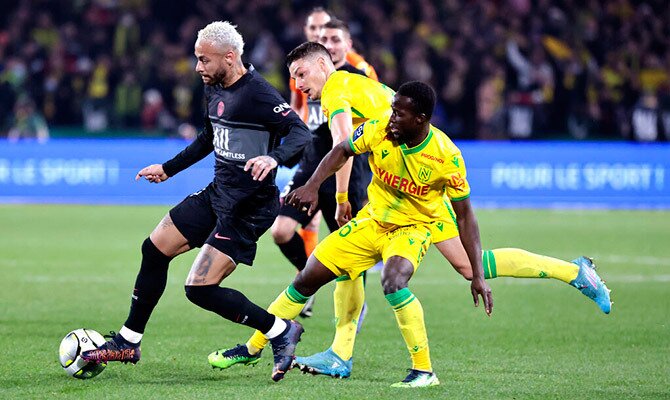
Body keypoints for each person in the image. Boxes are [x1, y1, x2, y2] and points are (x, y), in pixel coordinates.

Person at [214, 42, 612, 380]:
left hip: (410, 194)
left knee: (443, 268)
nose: (298, 86)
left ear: (323, 65)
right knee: (353, 265)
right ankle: (335, 352)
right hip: (392, 179)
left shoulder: (338, 88)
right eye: (293, 79)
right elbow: (347, 145)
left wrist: (336, 196)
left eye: (301, 75)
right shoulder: (364, 87)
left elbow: (340, 143)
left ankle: (358, 355)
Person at [80, 21, 312, 382]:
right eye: (197, 59)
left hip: (249, 207)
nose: (198, 67)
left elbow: (300, 132)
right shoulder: (215, 88)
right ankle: (129, 341)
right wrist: (168, 169)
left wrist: (273, 158)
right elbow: (209, 136)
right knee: (154, 249)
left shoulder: (259, 94)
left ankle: (280, 330)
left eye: (204, 60)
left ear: (230, 58)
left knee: (199, 289)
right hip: (217, 194)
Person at [271, 15, 377, 321]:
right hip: (311, 164)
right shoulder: (310, 78)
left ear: (349, 44)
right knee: (280, 230)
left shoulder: (355, 77)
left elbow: (352, 138)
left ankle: (354, 308)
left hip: (346, 169)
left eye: (334, 39)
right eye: (323, 38)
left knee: (349, 247)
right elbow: (299, 112)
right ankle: (309, 279)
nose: (328, 44)